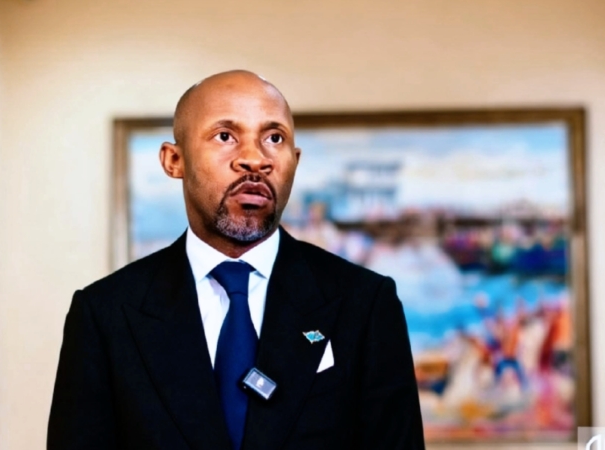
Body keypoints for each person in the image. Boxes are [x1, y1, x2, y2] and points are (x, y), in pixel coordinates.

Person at [47, 70, 424, 450]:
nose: (254, 159)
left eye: (274, 138)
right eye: (225, 136)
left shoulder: (366, 303)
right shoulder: (105, 314)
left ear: (294, 161)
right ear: (174, 160)